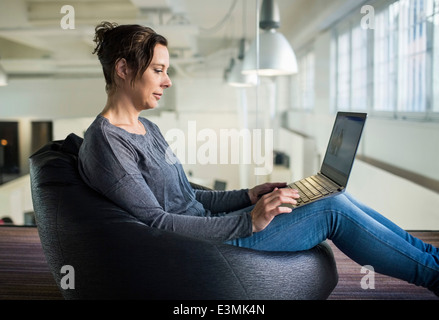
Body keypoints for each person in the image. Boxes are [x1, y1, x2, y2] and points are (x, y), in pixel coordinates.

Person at [78, 21, 439, 297]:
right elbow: (157, 224)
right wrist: (249, 221)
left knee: (333, 195)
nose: (168, 81)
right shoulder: (108, 144)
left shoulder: (147, 128)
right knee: (332, 210)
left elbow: (189, 196)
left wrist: (249, 196)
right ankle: (434, 275)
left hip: (215, 225)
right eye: (159, 70)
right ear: (123, 69)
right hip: (207, 247)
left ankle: (432, 259)